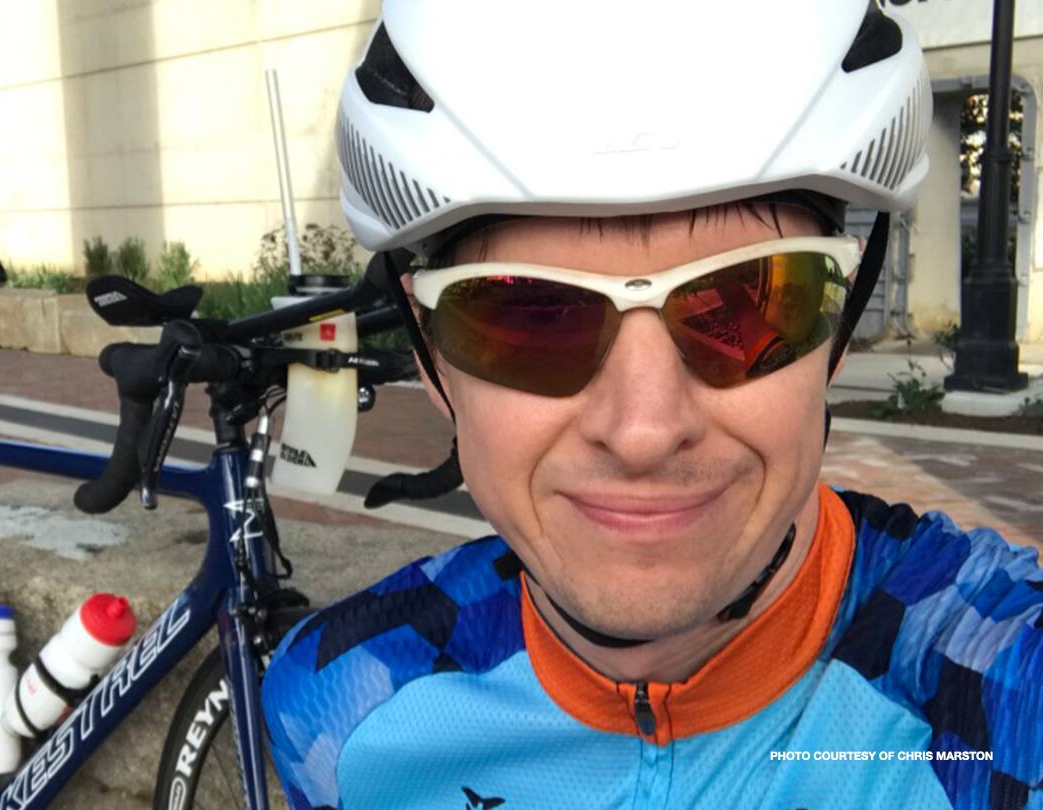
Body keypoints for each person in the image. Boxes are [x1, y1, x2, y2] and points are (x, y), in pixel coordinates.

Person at [260, 2, 1043, 808]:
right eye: (529, 316)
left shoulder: (1002, 700)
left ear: (834, 332)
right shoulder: (338, 709)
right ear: (433, 360)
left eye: (750, 304)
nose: (643, 431)